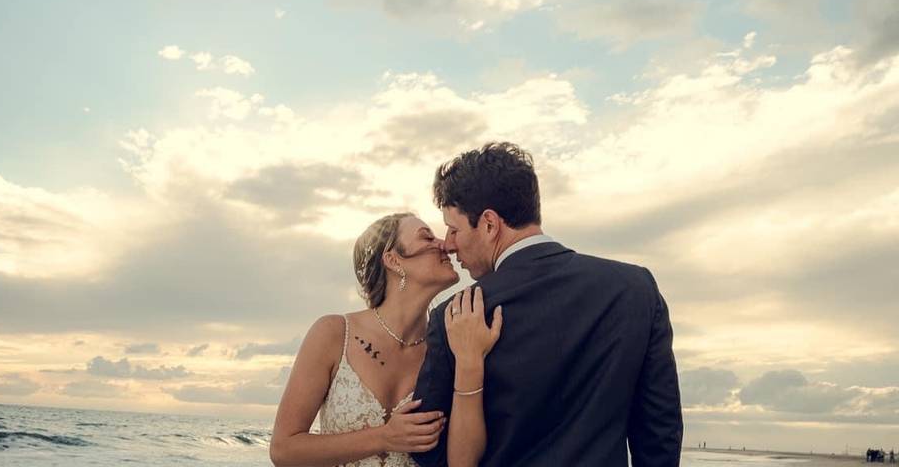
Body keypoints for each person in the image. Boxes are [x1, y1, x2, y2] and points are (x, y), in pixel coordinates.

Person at [411, 142, 683, 466]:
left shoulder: (456, 313)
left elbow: (427, 447)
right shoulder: (636, 289)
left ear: (488, 223)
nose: (450, 244)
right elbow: (659, 432)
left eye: (454, 229)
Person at [269, 212, 497, 467]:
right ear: (393, 260)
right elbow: (283, 450)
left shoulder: (449, 345)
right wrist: (384, 437)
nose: (444, 244)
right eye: (427, 238)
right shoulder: (334, 334)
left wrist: (471, 361)